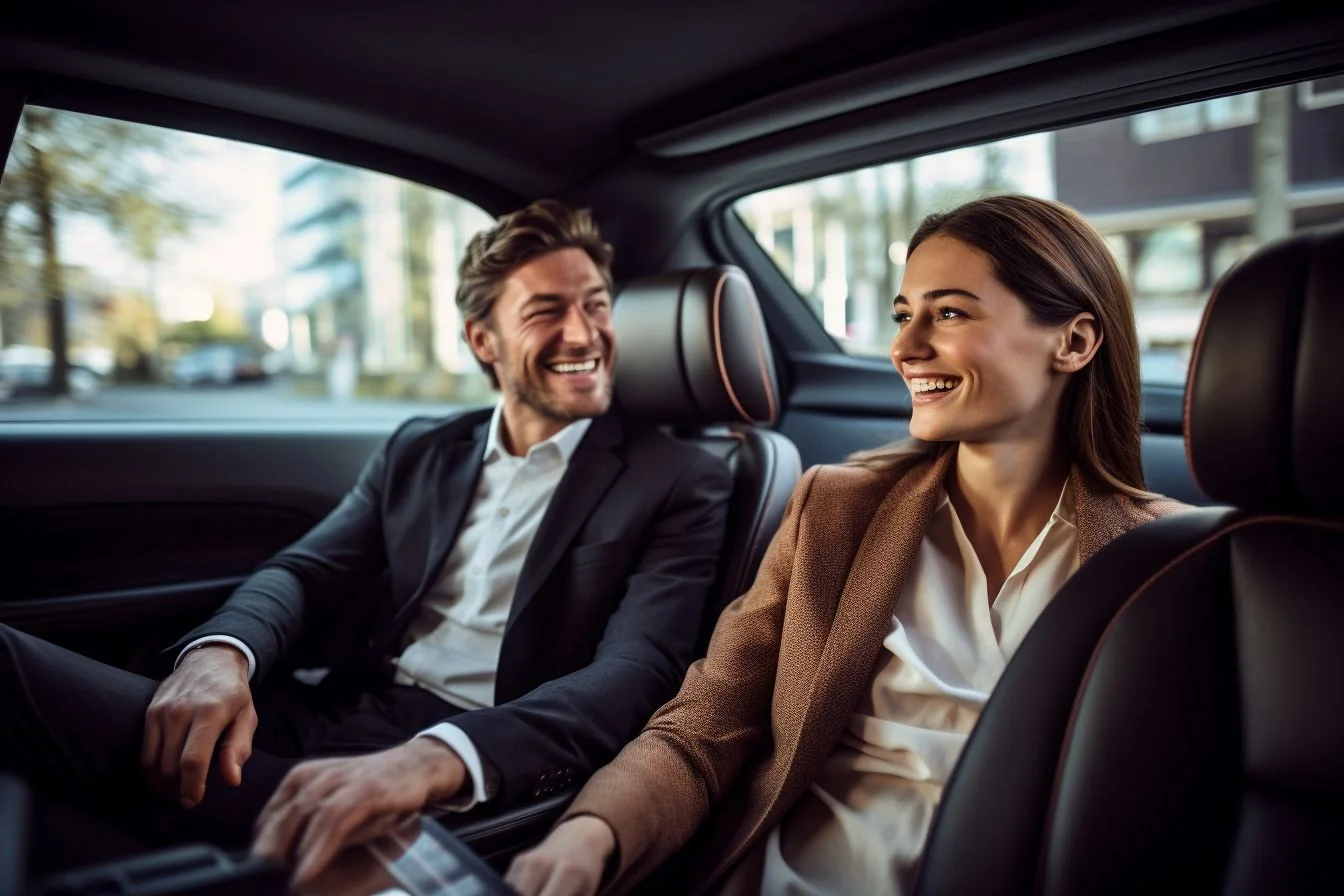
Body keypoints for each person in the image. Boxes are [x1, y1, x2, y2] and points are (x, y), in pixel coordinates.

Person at [0, 199, 732, 884]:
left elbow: (636, 672)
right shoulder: (422, 447)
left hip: (468, 757)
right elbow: (307, 571)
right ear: (484, 340)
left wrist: (437, 759)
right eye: (547, 311)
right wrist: (222, 655)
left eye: (596, 306)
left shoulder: (679, 479)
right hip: (328, 710)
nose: (583, 333)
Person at [505, 195, 1190, 896]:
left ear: (1073, 342)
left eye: (949, 312)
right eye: (903, 315)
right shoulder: (834, 509)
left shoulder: (1167, 563)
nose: (905, 346)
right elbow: (706, 723)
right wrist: (592, 834)